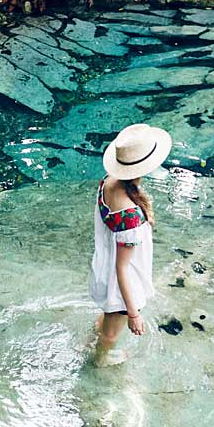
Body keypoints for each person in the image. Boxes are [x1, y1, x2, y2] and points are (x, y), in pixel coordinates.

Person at [89, 123, 171, 362]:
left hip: (105, 269)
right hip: (122, 283)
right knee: (112, 334)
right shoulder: (131, 217)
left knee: (106, 320)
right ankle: (98, 362)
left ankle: (92, 342)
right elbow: (123, 268)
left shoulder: (108, 181)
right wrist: (133, 313)